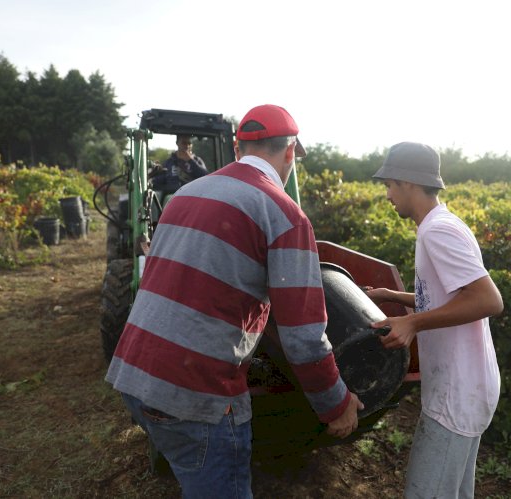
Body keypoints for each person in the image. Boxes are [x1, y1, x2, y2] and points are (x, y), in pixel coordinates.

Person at [105, 104, 364, 499]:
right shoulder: (284, 214)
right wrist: (336, 404)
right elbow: (304, 339)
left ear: (239, 148)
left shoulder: (185, 195)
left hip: (134, 377)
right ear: (290, 152)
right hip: (194, 398)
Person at [365, 142, 503, 499]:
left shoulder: (436, 231)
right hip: (466, 387)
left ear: (409, 183)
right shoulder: (443, 223)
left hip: (456, 392)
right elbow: (452, 297)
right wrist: (394, 297)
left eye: (390, 185)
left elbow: (488, 300)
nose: (388, 194)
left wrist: (412, 324)